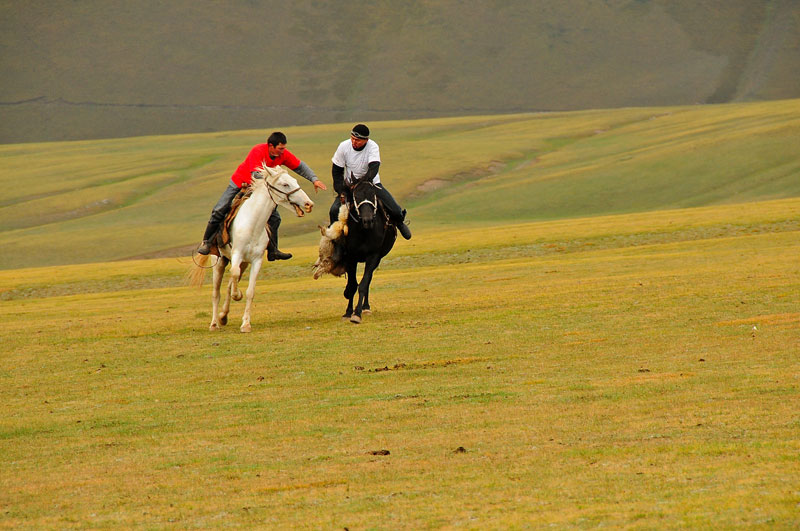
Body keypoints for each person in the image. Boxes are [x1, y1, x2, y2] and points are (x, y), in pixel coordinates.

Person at [196, 131, 327, 258]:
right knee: (220, 209)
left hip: (261, 187)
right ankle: (206, 242)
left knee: (275, 218)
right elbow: (255, 174)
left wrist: (314, 179)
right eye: (280, 148)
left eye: (284, 148)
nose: (283, 151)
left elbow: (299, 166)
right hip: (241, 182)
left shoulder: (283, 154)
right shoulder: (258, 151)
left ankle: (273, 250)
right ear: (271, 146)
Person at [329, 124, 411, 239]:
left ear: (366, 140)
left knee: (395, 209)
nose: (354, 142)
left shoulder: (373, 147)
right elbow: (337, 172)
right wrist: (341, 191)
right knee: (334, 210)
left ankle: (399, 222)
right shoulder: (343, 146)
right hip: (350, 187)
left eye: (357, 140)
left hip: (371, 184)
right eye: (352, 138)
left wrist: (362, 184)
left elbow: (374, 168)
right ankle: (334, 239)